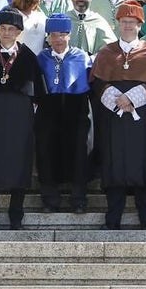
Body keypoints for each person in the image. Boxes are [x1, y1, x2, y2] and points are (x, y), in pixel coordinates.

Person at [91, 1, 146, 230]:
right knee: (114, 163)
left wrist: (132, 98)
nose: (128, 26)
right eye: (124, 22)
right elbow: (97, 82)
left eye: (132, 22)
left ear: (140, 25)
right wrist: (116, 99)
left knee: (142, 162)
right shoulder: (107, 52)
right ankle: (113, 217)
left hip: (141, 120)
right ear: (117, 24)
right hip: (114, 118)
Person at [0, 7, 43, 230]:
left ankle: (16, 216)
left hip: (20, 120)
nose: (6, 33)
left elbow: (37, 93)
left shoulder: (29, 58)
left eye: (11, 29)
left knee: (19, 164)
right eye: (2, 28)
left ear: (18, 32)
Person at [34, 14, 93, 214]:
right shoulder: (41, 58)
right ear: (48, 37)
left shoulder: (82, 57)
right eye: (53, 35)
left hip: (76, 110)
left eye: (62, 34)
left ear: (69, 35)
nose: (58, 39)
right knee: (46, 153)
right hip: (48, 111)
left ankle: (78, 199)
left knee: (79, 154)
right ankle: (50, 200)